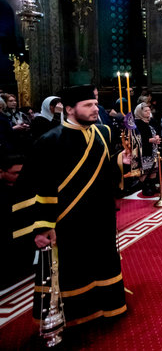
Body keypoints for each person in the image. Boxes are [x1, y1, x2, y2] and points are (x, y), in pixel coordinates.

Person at [11, 85, 130, 327]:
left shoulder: (103, 132)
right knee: (74, 267)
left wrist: (121, 162)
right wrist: (43, 225)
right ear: (69, 109)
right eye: (88, 105)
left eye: (95, 104)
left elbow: (105, 170)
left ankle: (108, 306)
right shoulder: (49, 141)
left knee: (102, 260)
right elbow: (39, 185)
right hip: (69, 221)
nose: (95, 109)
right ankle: (77, 315)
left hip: (100, 215)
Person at [0, 154, 32, 289]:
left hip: (24, 241)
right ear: (1, 172)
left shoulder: (26, 186)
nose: (20, 176)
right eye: (16, 173)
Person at [134, 103, 161, 196]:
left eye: (149, 110)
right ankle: (145, 189)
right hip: (144, 150)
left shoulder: (151, 120)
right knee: (145, 171)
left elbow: (157, 129)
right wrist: (152, 140)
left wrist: (157, 137)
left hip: (153, 148)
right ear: (140, 112)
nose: (148, 112)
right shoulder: (137, 123)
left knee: (154, 169)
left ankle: (152, 187)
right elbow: (138, 138)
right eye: (145, 111)